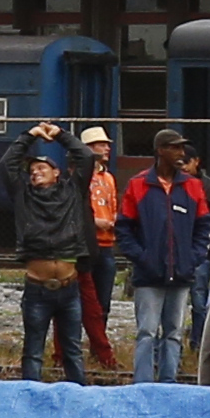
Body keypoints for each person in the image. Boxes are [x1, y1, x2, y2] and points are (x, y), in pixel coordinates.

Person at [114, 131, 210, 384]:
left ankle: (168, 382)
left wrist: (193, 257)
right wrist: (142, 257)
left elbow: (204, 225)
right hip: (149, 275)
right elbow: (124, 227)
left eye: (182, 148)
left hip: (181, 273)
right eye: (174, 148)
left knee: (173, 332)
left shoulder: (192, 186)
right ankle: (143, 384)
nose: (181, 154)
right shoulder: (138, 185)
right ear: (160, 150)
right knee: (146, 332)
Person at [5, 124, 99, 381]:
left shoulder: (72, 191)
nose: (35, 173)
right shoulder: (23, 196)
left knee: (72, 349)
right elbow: (7, 164)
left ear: (57, 172)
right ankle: (29, 397)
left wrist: (59, 135)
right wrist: (30, 135)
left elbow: (86, 156)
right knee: (33, 350)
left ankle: (77, 397)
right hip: (37, 288)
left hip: (69, 287)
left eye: (41, 168)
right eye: (32, 170)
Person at [75, 126, 126, 375]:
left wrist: (113, 220)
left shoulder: (108, 178)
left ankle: (98, 348)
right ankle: (72, 347)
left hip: (107, 245)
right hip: (87, 245)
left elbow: (113, 203)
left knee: (102, 301)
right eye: (101, 144)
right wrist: (95, 222)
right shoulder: (79, 176)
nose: (107, 148)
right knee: (80, 301)